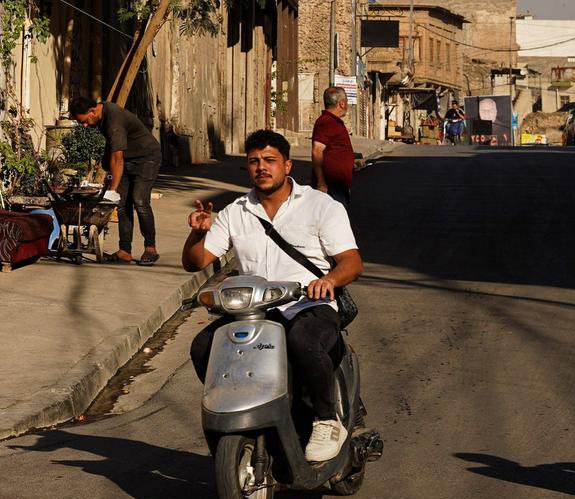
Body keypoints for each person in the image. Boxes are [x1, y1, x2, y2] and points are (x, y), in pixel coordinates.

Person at [183, 129, 363, 464]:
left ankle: (326, 420)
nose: (261, 168)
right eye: (254, 162)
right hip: (253, 312)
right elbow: (196, 261)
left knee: (302, 342)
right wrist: (198, 232)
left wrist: (328, 280)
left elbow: (352, 261)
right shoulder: (236, 211)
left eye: (269, 160)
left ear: (287, 165)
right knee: (203, 347)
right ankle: (240, 411)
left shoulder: (320, 205)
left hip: (309, 305)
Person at [72, 96, 163, 265]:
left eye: (84, 121)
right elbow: (111, 152)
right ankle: (124, 251)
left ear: (92, 111)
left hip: (147, 158)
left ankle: (150, 249)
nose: (85, 125)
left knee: (140, 200)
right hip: (129, 159)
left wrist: (112, 189)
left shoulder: (114, 120)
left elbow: (117, 157)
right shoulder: (101, 115)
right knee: (122, 205)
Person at [310, 85, 356, 206]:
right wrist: (321, 181)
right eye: (346, 101)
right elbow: (317, 150)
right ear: (341, 103)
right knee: (333, 221)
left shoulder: (333, 122)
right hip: (330, 187)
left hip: (338, 185)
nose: (347, 105)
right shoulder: (327, 122)